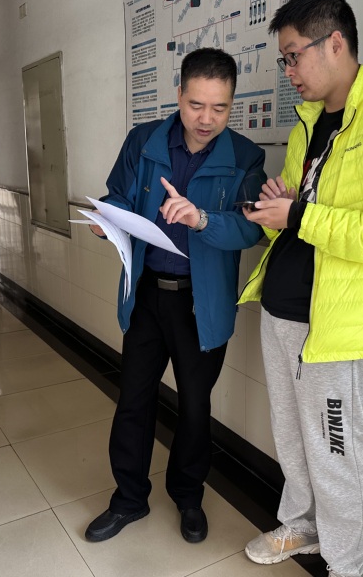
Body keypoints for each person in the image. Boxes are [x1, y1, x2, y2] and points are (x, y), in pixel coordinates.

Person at [239, 0, 363, 577]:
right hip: (281, 310)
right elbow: (305, 216)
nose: (288, 72)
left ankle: (349, 567)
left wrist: (299, 214)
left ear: (336, 43)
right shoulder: (308, 124)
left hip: (337, 324)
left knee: (336, 450)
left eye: (293, 56)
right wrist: (281, 206)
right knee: (292, 438)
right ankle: (302, 526)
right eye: (284, 60)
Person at [84, 47, 265, 545]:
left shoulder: (245, 157)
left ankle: (188, 496)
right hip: (146, 295)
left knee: (195, 407)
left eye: (220, 107)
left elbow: (251, 230)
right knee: (133, 400)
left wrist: (202, 219)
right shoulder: (143, 141)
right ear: (179, 95)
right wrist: (107, 218)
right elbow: (119, 195)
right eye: (196, 105)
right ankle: (129, 499)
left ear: (232, 103)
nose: (206, 119)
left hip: (201, 305)